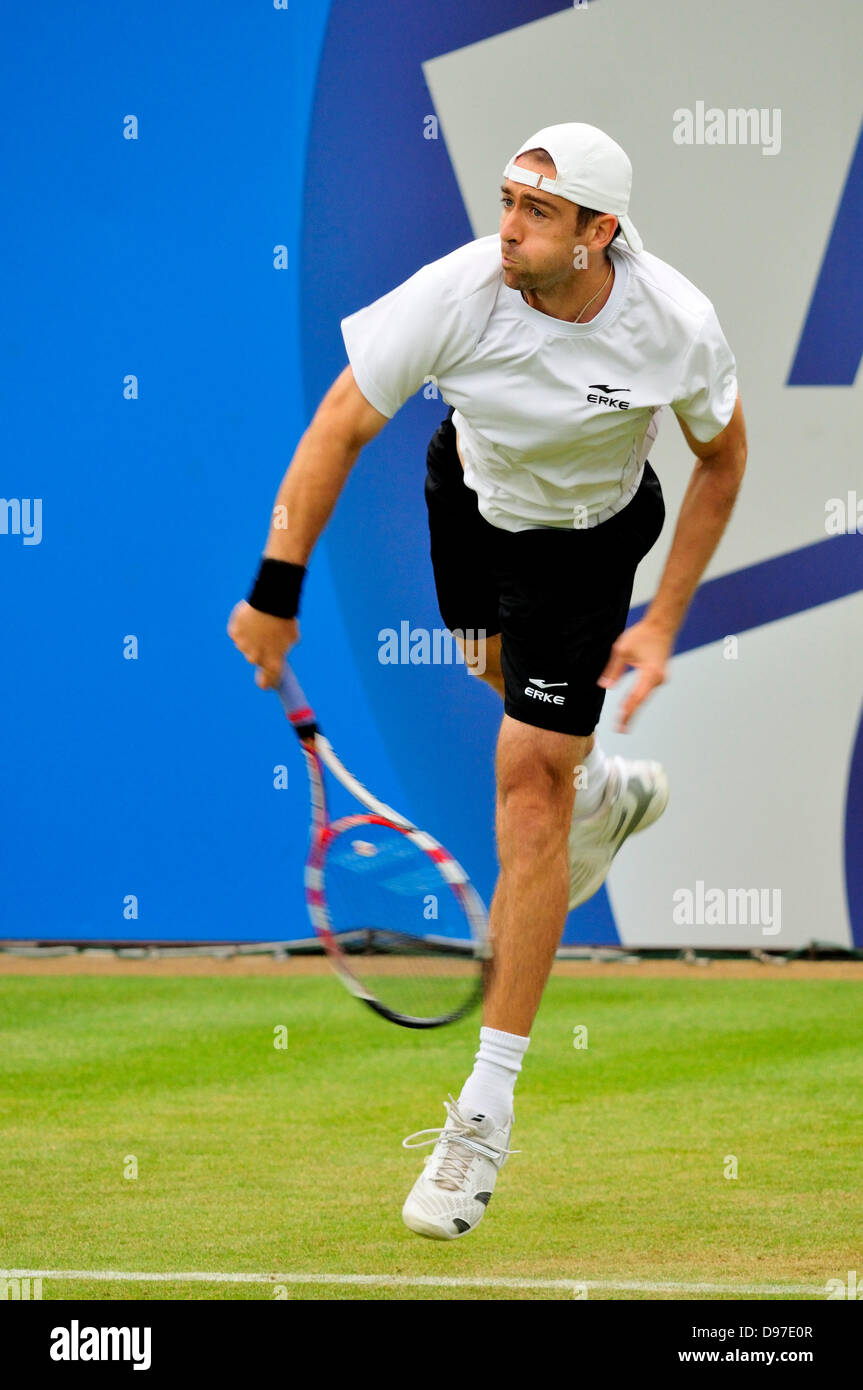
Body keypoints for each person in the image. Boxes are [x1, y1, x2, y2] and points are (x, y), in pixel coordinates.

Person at [228, 122, 747, 1241]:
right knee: (503, 690)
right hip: (467, 504)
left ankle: (481, 1114)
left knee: (526, 773)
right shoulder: (459, 290)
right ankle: (602, 785)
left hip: (589, 540)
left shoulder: (675, 326)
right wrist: (276, 591)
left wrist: (659, 621)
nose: (507, 228)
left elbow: (720, 458)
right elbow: (339, 423)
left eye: (537, 213)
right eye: (506, 200)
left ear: (599, 233)